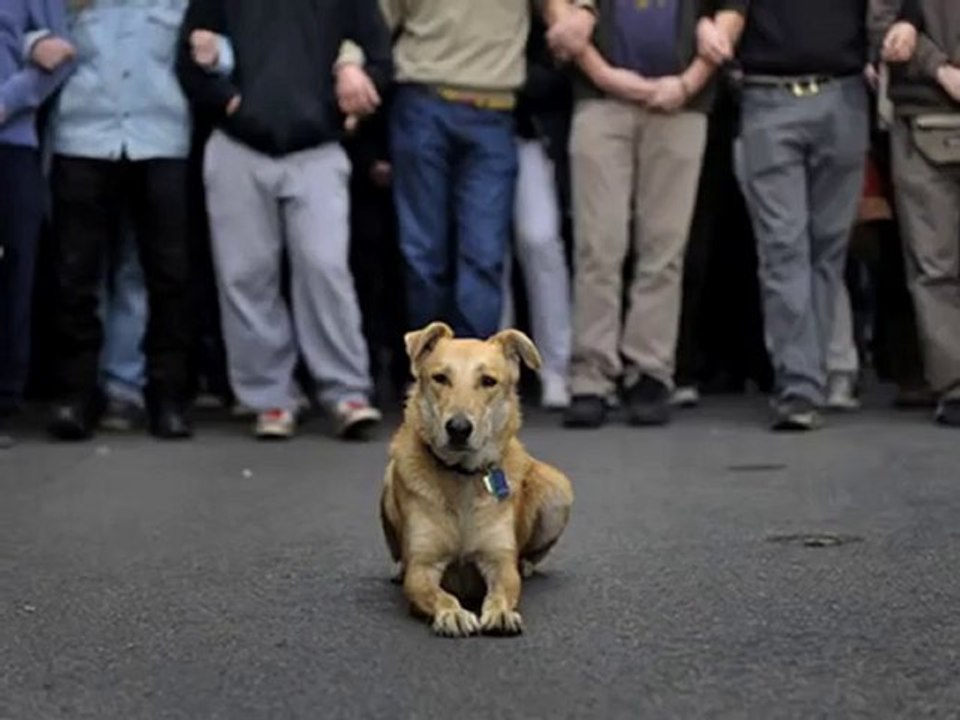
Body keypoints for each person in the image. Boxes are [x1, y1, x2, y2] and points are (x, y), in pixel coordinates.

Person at [176, 0, 393, 441]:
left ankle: (345, 391)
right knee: (245, 276)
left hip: (317, 147)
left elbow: (381, 59)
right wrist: (229, 101)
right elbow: (189, 55)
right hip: (238, 144)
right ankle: (269, 398)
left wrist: (359, 81)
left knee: (324, 266)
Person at [339, 0, 597, 343]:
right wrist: (349, 64)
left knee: (484, 256)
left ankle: (471, 382)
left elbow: (569, 13)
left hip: (494, 113)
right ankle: (433, 374)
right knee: (423, 255)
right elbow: (374, 19)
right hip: (422, 105)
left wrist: (584, 12)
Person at [561, 0, 748, 429]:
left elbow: (732, 10)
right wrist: (605, 76)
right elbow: (558, 11)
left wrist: (687, 84)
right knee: (598, 245)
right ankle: (591, 377)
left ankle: (650, 372)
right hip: (601, 100)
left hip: (680, 104)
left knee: (664, 246)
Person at [46, 0, 195, 441]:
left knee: (166, 276)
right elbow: (30, 26)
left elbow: (215, 40)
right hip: (83, 139)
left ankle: (164, 397)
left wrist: (215, 53)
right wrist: (39, 42)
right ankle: (75, 395)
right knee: (76, 275)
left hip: (161, 142)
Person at [732, 0, 881, 431]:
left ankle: (811, 372)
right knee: (784, 246)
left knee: (828, 249)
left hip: (845, 93)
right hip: (767, 94)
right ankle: (799, 385)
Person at [869, 0, 960, 427]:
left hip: (925, 108)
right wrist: (941, 69)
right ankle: (954, 384)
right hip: (924, 113)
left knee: (933, 266)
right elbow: (880, 24)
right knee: (933, 262)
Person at [0, 0, 74, 447]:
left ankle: (4, 399)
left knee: (11, 274)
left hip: (10, 142)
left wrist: (7, 101)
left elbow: (62, 55)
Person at [501, 14, 574, 410]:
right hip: (478, 121)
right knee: (487, 252)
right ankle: (499, 374)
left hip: (531, 132)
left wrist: (512, 73)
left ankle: (555, 368)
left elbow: (560, 69)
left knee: (540, 239)